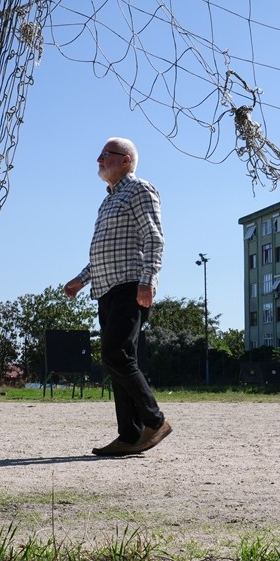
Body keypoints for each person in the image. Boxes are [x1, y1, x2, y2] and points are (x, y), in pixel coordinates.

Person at [64, 137, 172, 457]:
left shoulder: (140, 189)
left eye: (105, 154)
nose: (98, 159)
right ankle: (129, 435)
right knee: (118, 361)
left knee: (116, 354)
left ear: (125, 160)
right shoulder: (108, 199)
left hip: (130, 285)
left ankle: (155, 420)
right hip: (106, 290)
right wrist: (81, 279)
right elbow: (105, 251)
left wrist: (148, 281)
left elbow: (154, 238)